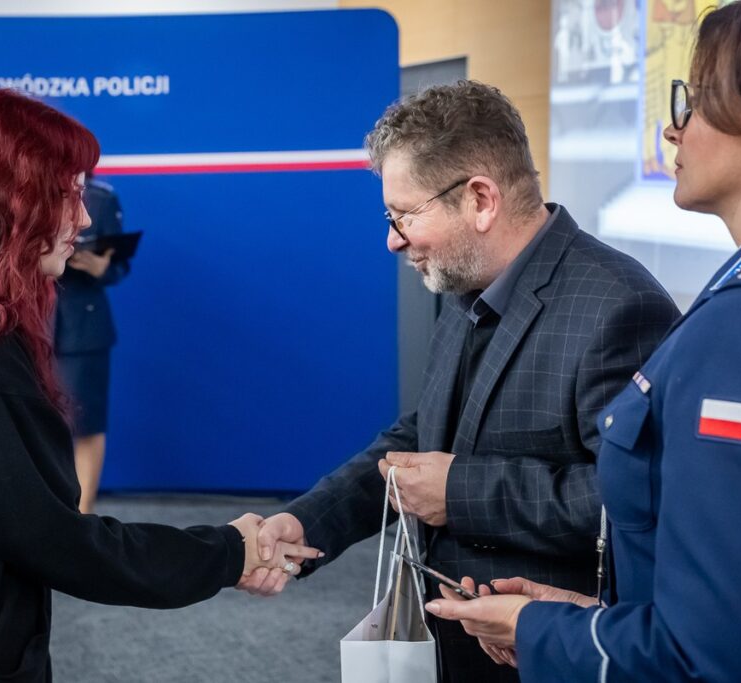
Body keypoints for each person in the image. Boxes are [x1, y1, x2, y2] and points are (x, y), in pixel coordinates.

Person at [0, 89, 318, 681]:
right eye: (69, 194)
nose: (85, 218)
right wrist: (230, 551)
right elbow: (57, 541)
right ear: (13, 198)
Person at [425, 2, 741, 681]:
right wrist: (598, 615)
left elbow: (701, 660)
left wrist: (542, 630)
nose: (672, 129)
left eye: (693, 103)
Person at [239, 81, 680, 681]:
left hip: (546, 652)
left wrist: (462, 492)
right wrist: (310, 522)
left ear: (480, 199)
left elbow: (642, 499)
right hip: (454, 639)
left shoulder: (620, 306)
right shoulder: (465, 285)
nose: (392, 239)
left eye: (405, 215)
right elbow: (423, 438)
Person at [54, 173, 128, 513]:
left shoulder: (101, 198)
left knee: (85, 424)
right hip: (29, 317)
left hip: (83, 327)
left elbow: (119, 266)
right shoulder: (25, 190)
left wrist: (100, 267)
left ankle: (82, 519)